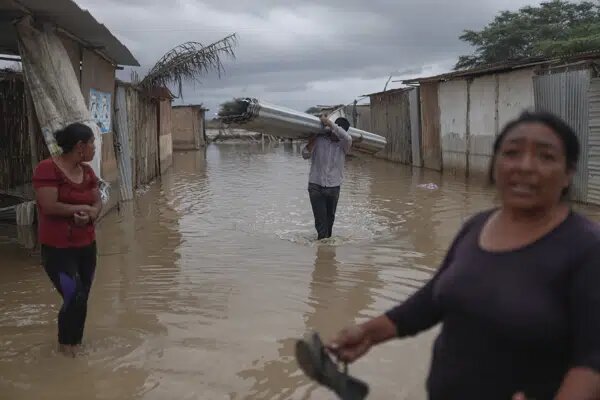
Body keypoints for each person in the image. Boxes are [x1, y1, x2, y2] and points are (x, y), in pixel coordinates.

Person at [326, 111, 600, 399]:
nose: (525, 166)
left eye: (545, 156)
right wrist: (368, 334)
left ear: (568, 173)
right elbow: (433, 299)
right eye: (512, 153)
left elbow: (593, 362)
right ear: (496, 165)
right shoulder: (477, 226)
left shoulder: (586, 248)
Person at [33, 123, 102, 357]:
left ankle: (76, 346)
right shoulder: (47, 169)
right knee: (75, 296)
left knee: (82, 299)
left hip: (86, 247)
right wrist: (82, 208)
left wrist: (92, 212)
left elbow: (97, 202)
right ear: (80, 147)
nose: (94, 148)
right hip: (58, 250)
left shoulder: (88, 172)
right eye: (92, 143)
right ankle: (65, 349)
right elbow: (49, 205)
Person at [302, 115, 352, 240]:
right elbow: (305, 155)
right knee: (320, 222)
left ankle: (326, 253)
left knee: (330, 221)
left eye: (339, 132)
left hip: (334, 187)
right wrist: (312, 141)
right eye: (335, 131)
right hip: (315, 186)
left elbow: (346, 136)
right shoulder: (320, 139)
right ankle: (323, 250)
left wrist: (328, 122)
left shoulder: (344, 144)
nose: (336, 135)